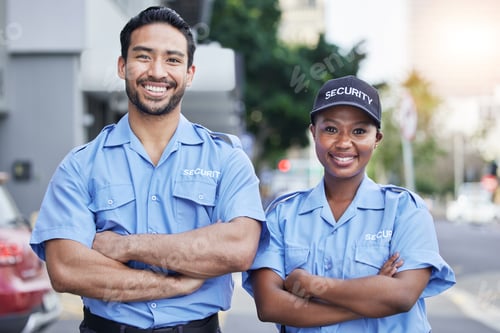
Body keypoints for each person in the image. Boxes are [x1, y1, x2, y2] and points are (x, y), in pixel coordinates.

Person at [30, 6, 267, 333]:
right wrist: (174, 285)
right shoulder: (80, 165)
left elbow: (238, 248)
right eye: (143, 56)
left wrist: (123, 247)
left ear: (190, 73)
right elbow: (67, 268)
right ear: (122, 66)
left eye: (172, 60)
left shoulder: (226, 159)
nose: (157, 71)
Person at [243, 75, 456, 332]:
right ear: (314, 133)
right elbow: (270, 306)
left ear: (376, 138)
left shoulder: (404, 210)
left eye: (359, 131)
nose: (344, 143)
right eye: (331, 129)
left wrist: (311, 284)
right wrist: (372, 295)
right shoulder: (283, 216)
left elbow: (402, 296)